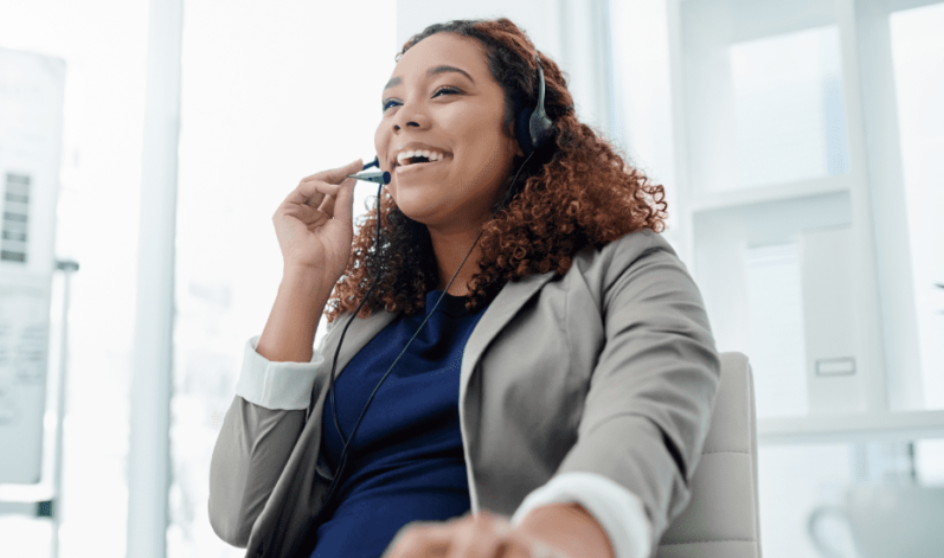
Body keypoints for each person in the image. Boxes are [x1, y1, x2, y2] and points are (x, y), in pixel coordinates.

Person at [208, 17, 720, 558]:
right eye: (390, 105)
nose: (405, 118)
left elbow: (648, 409)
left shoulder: (622, 268)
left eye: (445, 90)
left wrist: (561, 536)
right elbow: (241, 513)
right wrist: (306, 280)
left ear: (527, 129)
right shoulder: (365, 321)